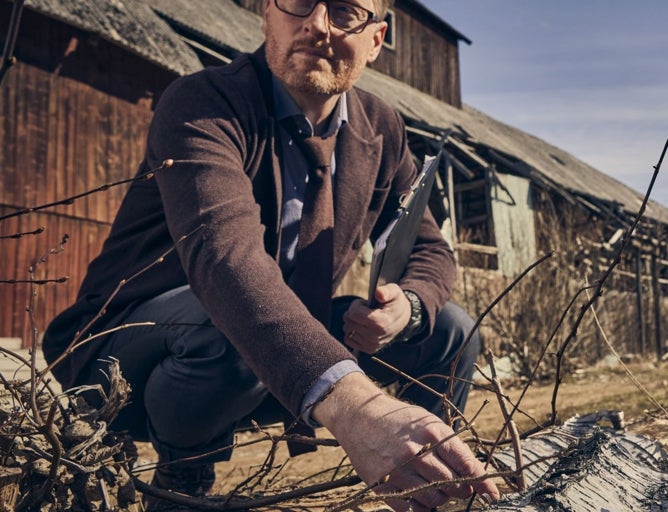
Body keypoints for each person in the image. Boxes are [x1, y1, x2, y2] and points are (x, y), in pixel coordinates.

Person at [41, 0, 499, 509]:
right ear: (265, 15)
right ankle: (182, 483)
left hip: (272, 353)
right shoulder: (203, 102)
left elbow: (431, 247)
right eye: (299, 2)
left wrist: (408, 305)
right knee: (227, 322)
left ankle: (434, 480)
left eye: (346, 11)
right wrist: (358, 405)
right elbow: (226, 263)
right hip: (127, 351)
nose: (316, 24)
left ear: (376, 39)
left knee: (450, 328)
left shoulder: (381, 128)